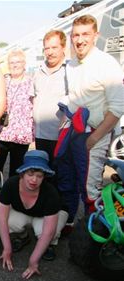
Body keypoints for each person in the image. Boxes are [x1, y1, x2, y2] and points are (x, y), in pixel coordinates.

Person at [57, 15, 124, 230]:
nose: (80, 39)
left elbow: (117, 107)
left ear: (96, 35)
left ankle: (94, 236)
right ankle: (68, 224)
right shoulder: (72, 64)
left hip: (95, 133)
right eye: (76, 35)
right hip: (73, 131)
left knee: (90, 189)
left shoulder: (107, 63)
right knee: (68, 180)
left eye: (85, 34)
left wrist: (96, 137)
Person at [0, 150, 68, 280]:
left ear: (44, 176)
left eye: (39, 175)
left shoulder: (51, 193)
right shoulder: (10, 184)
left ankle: (49, 245)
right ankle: (23, 236)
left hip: (49, 215)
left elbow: (48, 231)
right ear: (22, 173)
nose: (34, 180)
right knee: (8, 221)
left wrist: (33, 261)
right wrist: (6, 249)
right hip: (25, 212)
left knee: (45, 233)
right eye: (30, 174)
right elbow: (1, 219)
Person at [33, 30, 68, 171]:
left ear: (63, 48)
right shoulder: (38, 71)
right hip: (40, 136)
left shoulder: (70, 71)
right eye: (47, 48)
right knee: (43, 175)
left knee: (60, 176)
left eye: (54, 47)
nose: (50, 52)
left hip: (60, 137)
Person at [0, 49, 34, 178]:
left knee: (17, 170)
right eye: (12, 62)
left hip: (22, 134)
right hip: (3, 132)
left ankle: (13, 195)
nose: (15, 65)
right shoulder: (3, 80)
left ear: (24, 64)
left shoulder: (31, 81)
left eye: (18, 62)